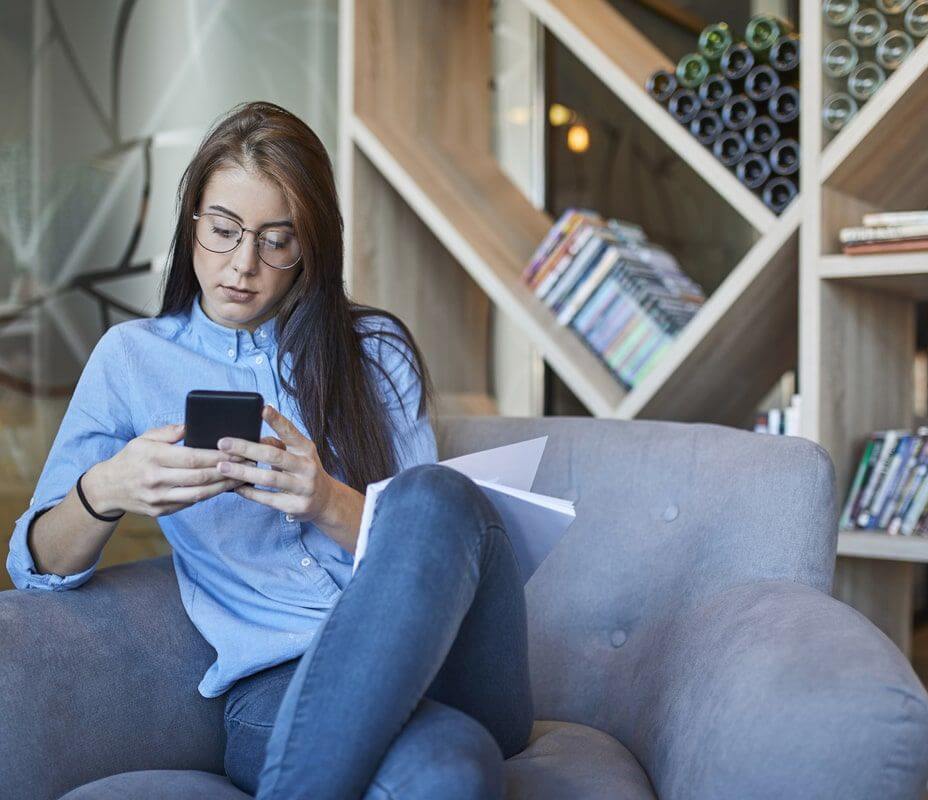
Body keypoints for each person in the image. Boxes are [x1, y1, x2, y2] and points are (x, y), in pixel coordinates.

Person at [6, 101, 533, 799]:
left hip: (439, 664)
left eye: (276, 241)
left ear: (310, 247)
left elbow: (423, 548)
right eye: (222, 232)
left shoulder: (374, 352)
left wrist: (324, 500)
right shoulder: (131, 360)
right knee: (449, 771)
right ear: (191, 222)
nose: (241, 266)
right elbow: (34, 568)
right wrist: (105, 489)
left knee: (435, 497)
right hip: (279, 686)